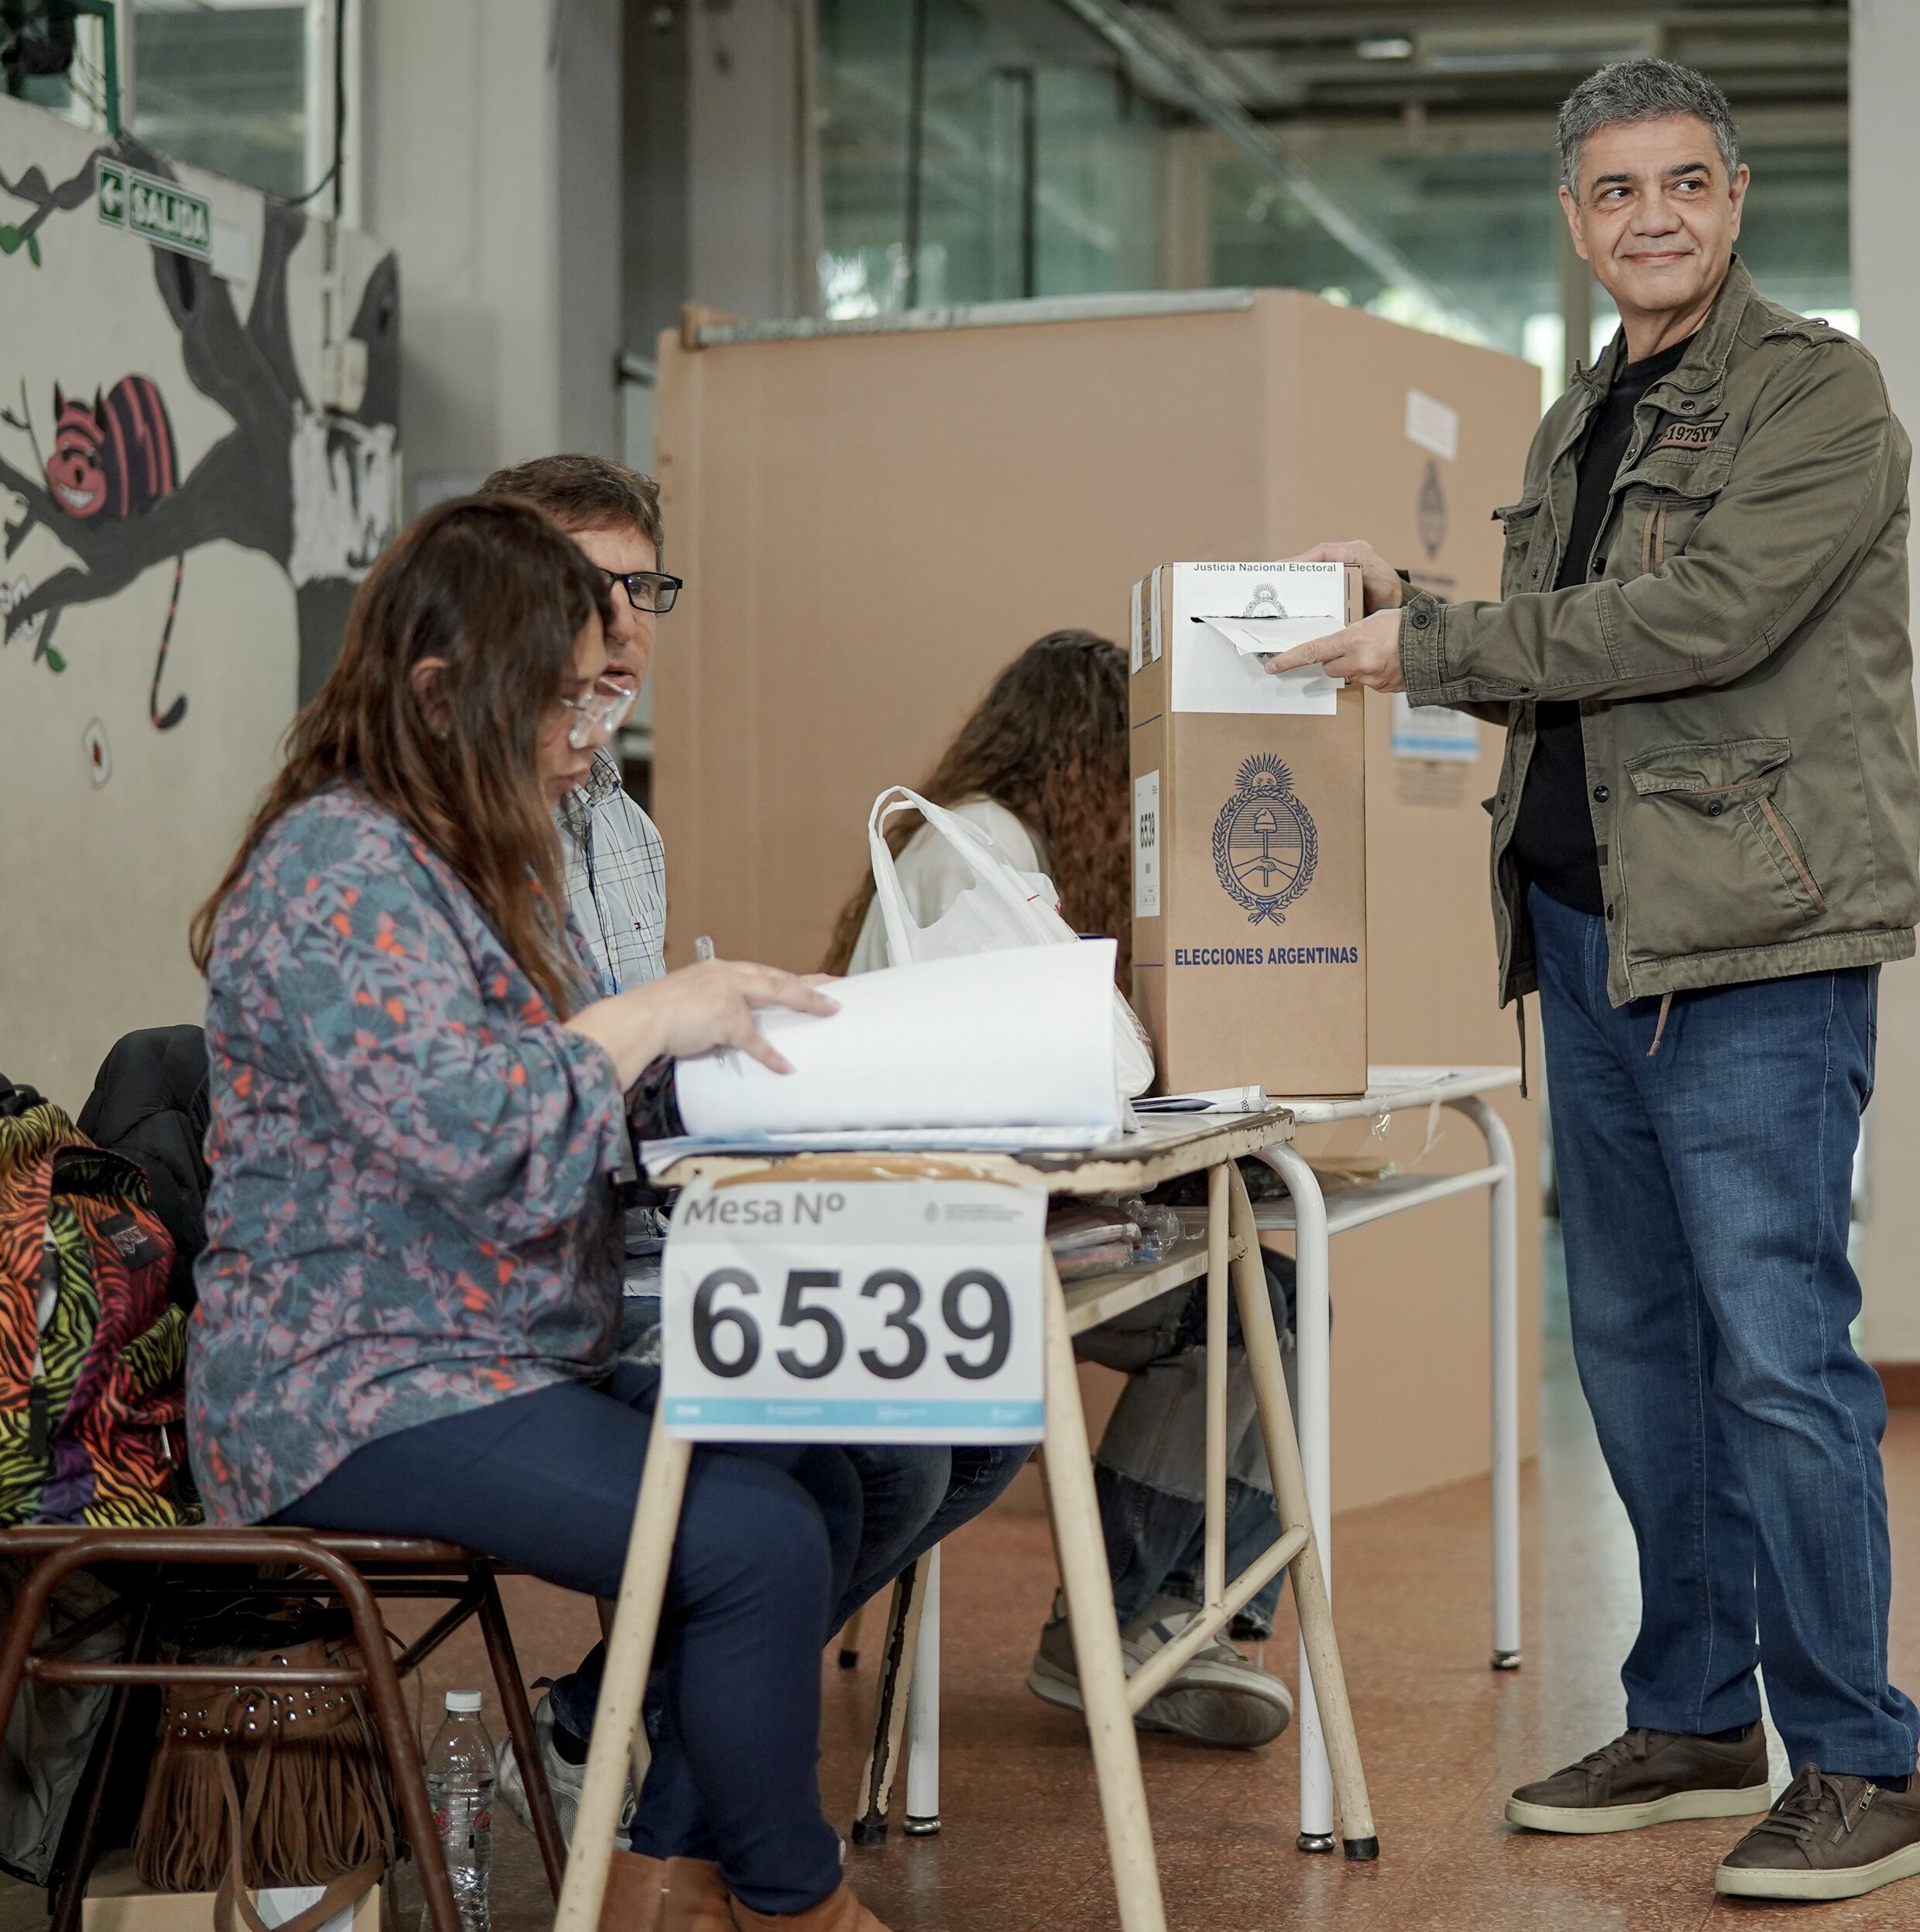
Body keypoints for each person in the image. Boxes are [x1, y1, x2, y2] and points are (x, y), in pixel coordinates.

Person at [1269, 57, 1920, 1903]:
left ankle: (1861, 1758)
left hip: (1746, 946)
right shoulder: (1588, 413)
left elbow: (1697, 615)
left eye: (1684, 184)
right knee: (1636, 1351)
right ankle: (1694, 1707)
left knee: (1777, 1354)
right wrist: (1401, 586)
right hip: (1583, 935)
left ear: (1735, 200)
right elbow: (1564, 626)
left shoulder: (1814, 389)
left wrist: (1437, 637)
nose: (1650, 216)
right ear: (1574, 218)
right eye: (1613, 191)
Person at [187, 496, 884, 1932]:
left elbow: (574, 1102)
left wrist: (786, 1080)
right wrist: (647, 1017)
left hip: (481, 1345)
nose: (590, 731)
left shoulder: (468, 855)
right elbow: (488, 1131)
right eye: (563, 697)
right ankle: (787, 1902)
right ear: (444, 696)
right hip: (350, 1388)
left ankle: (664, 1877)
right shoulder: (339, 870)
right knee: (750, 1540)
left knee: (817, 1473)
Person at [476, 455, 1022, 1834]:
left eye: (641, 588)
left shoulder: (627, 832)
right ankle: (674, 1814)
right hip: (533, 1263)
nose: (621, 625)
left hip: (651, 1226)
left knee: (986, 1421)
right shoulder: (452, 824)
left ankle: (620, 1723)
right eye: (584, 586)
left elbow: (638, 1071)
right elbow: (515, 1099)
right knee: (864, 1458)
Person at [819, 632, 1299, 1749]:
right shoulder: (978, 851)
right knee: (1254, 1304)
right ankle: (1123, 1620)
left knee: (1268, 1289)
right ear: (1090, 752)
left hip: (989, 1216)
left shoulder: (979, 835)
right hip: (941, 1238)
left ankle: (1185, 1614)